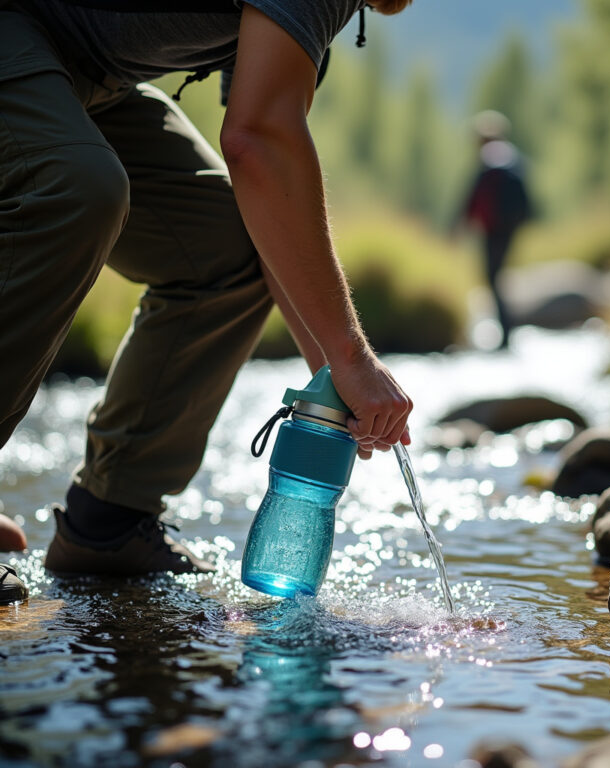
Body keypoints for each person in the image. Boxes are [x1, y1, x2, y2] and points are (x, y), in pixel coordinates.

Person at [0, 0, 414, 604]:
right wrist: (353, 357)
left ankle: (109, 521)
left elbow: (268, 192)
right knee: (73, 188)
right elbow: (258, 142)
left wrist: (332, 375)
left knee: (226, 247)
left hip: (79, 71)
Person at [454, 110, 532, 349]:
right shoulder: (514, 158)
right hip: (509, 229)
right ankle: (508, 331)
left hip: (492, 229)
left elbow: (472, 196)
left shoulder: (488, 159)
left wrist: (458, 224)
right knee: (499, 277)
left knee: (493, 278)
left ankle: (506, 334)